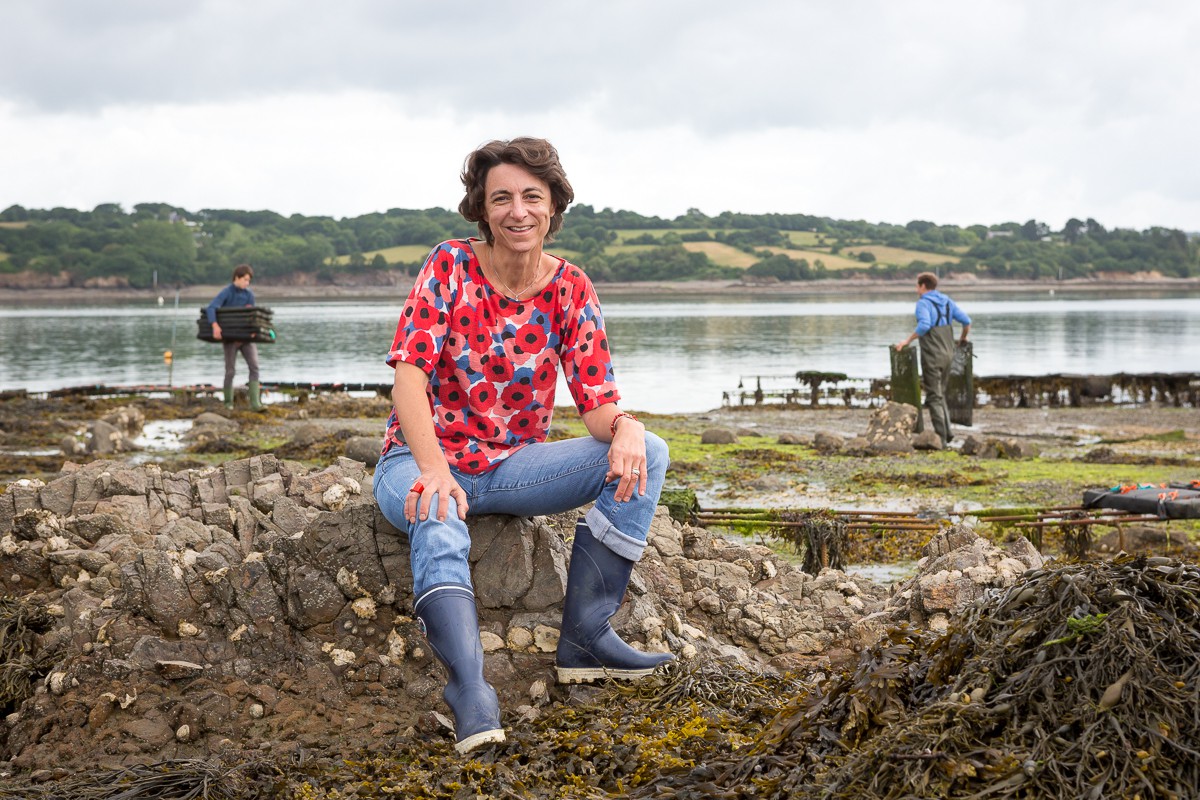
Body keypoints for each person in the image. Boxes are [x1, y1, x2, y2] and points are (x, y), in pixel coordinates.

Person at [373, 137, 673, 754]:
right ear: (482, 209)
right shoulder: (449, 265)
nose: (518, 211)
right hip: (417, 460)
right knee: (438, 509)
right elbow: (409, 375)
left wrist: (629, 428)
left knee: (654, 452)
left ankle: (586, 638)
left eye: (531, 197)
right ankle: (471, 691)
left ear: (553, 206)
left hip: (512, 468)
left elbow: (596, 404)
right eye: (501, 198)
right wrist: (434, 470)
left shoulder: (571, 287)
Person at [895, 271, 971, 444]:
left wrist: (907, 340)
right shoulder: (947, 301)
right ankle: (948, 432)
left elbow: (924, 325)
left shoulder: (923, 304)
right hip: (948, 354)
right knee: (940, 393)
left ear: (923, 286)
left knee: (934, 396)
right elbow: (966, 321)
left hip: (932, 356)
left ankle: (942, 438)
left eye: (917, 285)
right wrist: (963, 338)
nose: (916, 289)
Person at [206, 263, 264, 411]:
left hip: (246, 339)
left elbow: (251, 314)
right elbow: (211, 307)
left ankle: (255, 403)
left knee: (254, 367)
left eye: (249, 280)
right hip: (230, 338)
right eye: (245, 280)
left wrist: (253, 329)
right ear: (237, 278)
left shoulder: (249, 294)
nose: (247, 283)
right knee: (230, 371)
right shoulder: (227, 292)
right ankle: (228, 403)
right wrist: (215, 325)